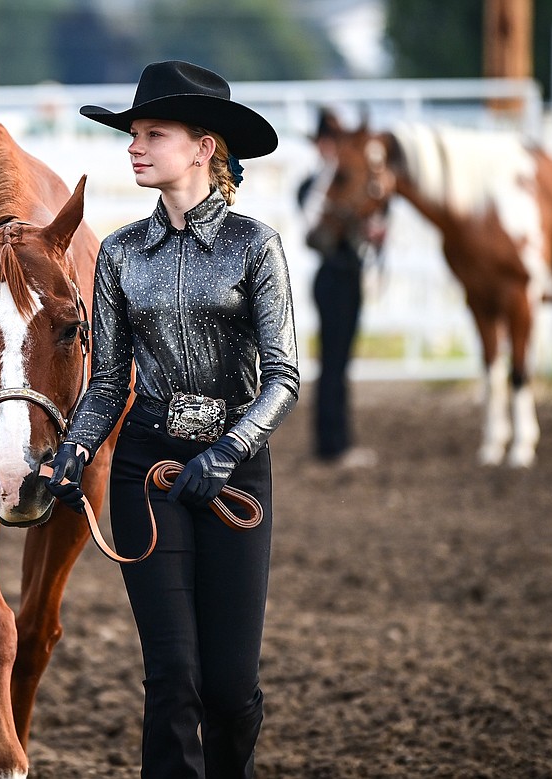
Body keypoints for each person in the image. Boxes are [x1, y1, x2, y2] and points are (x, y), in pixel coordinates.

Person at [44, 60, 299, 779]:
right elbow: (107, 383)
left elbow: (283, 377)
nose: (134, 145)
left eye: (153, 133)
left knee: (229, 687)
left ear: (203, 146)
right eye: (134, 133)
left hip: (232, 468)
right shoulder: (121, 254)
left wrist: (231, 448)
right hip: (145, 469)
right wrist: (74, 448)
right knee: (172, 676)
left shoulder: (256, 247)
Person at [297, 107, 380, 469]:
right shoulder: (315, 186)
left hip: (347, 272)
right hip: (332, 275)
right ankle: (332, 444)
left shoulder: (341, 181)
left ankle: (336, 440)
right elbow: (315, 229)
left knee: (339, 361)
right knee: (333, 362)